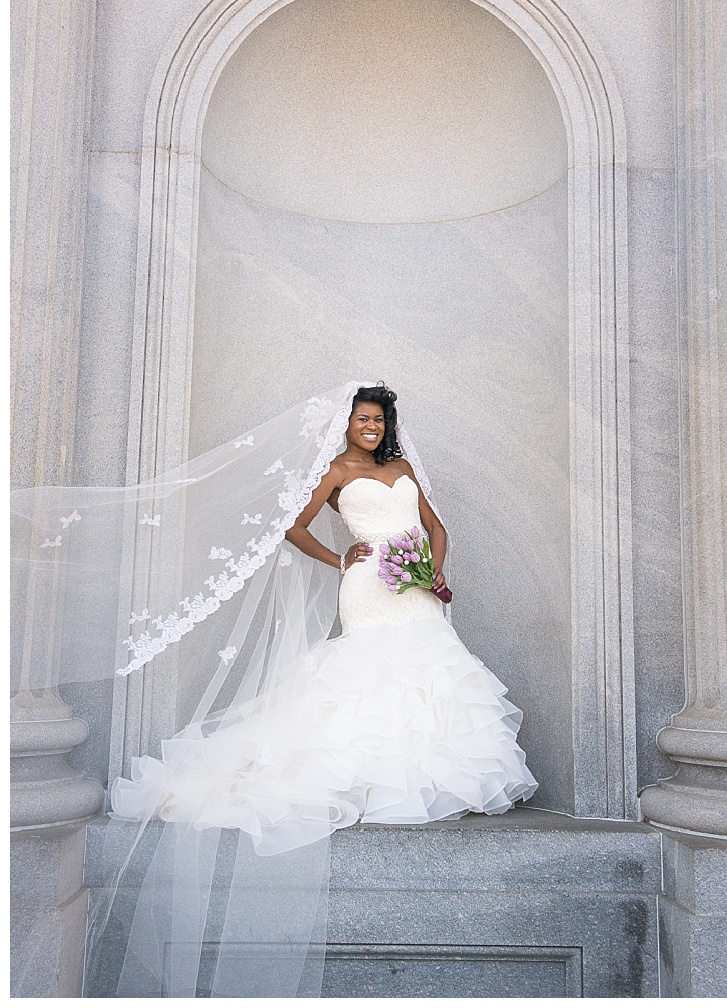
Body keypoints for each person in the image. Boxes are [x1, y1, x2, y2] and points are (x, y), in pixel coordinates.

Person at [13, 380, 536, 995]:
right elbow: (293, 526)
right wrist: (343, 561)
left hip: (417, 585)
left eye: (377, 420)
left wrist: (434, 565)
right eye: (361, 419)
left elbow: (434, 524)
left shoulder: (403, 466)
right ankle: (364, 775)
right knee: (372, 668)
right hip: (371, 585)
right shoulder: (338, 470)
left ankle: (422, 776)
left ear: (387, 424)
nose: (369, 427)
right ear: (347, 424)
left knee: (431, 666)